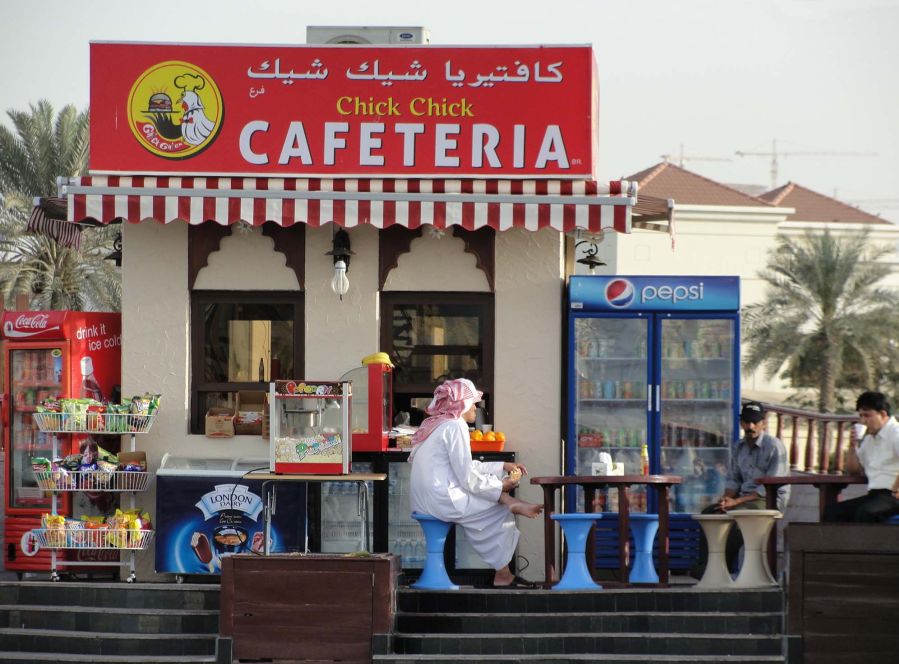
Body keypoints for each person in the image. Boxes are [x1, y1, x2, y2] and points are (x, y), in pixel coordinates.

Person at [408, 378, 543, 587]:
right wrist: (500, 485)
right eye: (473, 403)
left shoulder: (440, 425)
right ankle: (503, 574)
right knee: (498, 512)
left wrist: (502, 465)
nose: (475, 408)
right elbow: (467, 477)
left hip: (426, 498)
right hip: (440, 500)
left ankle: (509, 502)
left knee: (489, 498)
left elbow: (464, 466)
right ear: (461, 404)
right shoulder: (455, 426)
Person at [696, 401, 789, 573]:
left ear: (763, 423)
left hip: (768, 499)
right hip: (743, 499)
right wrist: (727, 499)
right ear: (741, 423)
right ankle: (704, 566)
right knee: (709, 513)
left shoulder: (774, 446)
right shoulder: (739, 447)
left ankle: (721, 569)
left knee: (736, 519)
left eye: (755, 422)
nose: (750, 426)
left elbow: (771, 486)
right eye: (747, 422)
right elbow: (733, 479)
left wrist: (736, 501)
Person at [823, 391, 899, 522]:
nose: (863, 421)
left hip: (893, 495)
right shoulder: (869, 439)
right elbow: (854, 470)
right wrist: (852, 447)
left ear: (882, 414)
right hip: (876, 495)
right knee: (833, 512)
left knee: (865, 513)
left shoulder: (896, 433)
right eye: (861, 416)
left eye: (867, 416)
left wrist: (895, 489)